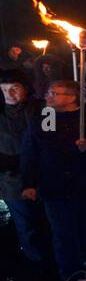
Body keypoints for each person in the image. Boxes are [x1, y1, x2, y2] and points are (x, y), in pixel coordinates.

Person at [20, 80, 86, 279]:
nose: (48, 97)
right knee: (64, 235)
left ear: (72, 97)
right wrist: (29, 184)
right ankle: (71, 278)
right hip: (56, 189)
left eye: (55, 93)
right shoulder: (43, 120)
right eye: (49, 92)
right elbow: (31, 154)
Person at [0, 70, 43, 263]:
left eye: (14, 89)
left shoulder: (42, 109)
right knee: (26, 227)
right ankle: (38, 266)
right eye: (4, 89)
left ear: (25, 88)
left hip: (44, 178)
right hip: (13, 182)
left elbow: (51, 139)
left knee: (52, 223)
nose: (9, 94)